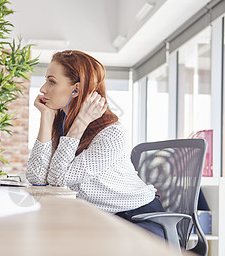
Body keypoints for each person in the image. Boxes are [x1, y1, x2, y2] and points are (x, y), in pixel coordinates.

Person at [26, 50, 165, 237]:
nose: (42, 89)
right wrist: (46, 118)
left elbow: (58, 180)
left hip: (139, 218)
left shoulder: (112, 134)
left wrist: (81, 123)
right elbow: (36, 178)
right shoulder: (64, 126)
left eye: (51, 81)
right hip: (102, 219)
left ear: (76, 89)